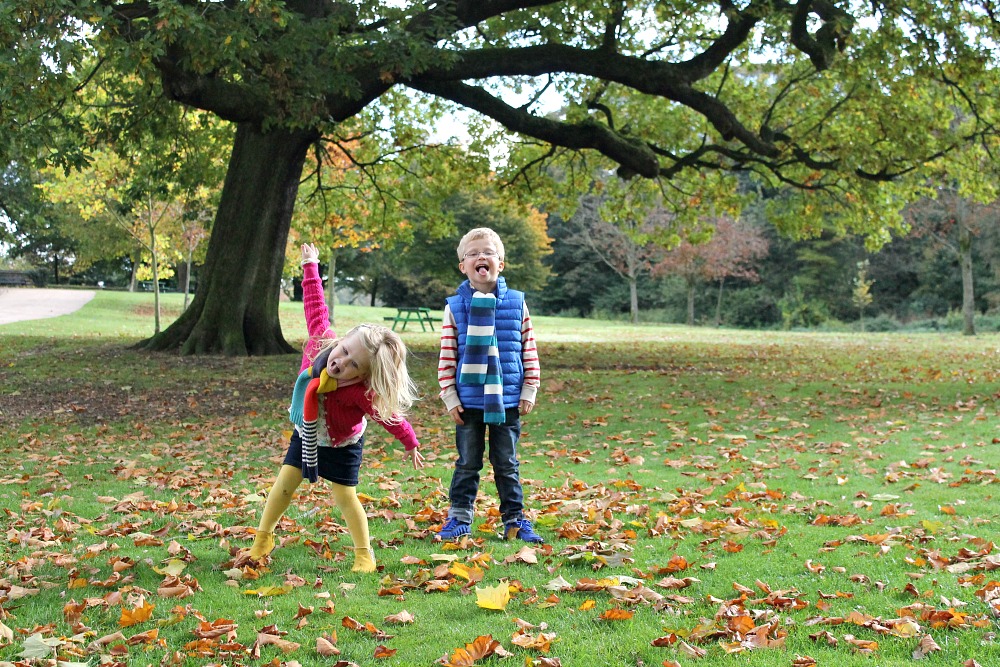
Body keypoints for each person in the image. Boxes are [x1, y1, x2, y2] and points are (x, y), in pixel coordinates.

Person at [247, 243, 424, 573]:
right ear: (339, 341)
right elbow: (315, 307)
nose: (340, 361)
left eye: (353, 363)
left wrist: (410, 442)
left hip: (343, 445)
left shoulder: (361, 394)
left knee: (345, 498)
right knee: (283, 485)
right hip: (309, 436)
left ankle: (364, 554)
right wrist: (310, 266)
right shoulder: (321, 345)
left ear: (364, 373)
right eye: (343, 350)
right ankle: (263, 537)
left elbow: (390, 418)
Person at [436, 227, 543, 543]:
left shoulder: (516, 303)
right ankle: (458, 519)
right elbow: (447, 353)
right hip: (468, 401)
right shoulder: (455, 307)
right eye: (473, 254)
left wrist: (529, 387)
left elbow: (528, 346)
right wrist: (449, 395)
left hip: (507, 399)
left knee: (506, 463)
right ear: (463, 266)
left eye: (489, 253)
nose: (481, 257)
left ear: (501, 263)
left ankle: (515, 519)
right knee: (468, 462)